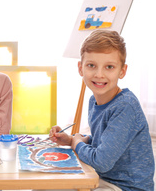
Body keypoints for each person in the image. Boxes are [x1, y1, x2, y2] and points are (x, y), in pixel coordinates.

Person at [50, 30, 154, 191]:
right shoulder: (95, 100)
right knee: (46, 186)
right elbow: (107, 141)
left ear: (122, 71)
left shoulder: (126, 106)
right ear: (80, 68)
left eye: (109, 67)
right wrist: (72, 140)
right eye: (91, 65)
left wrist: (77, 143)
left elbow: (102, 162)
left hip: (127, 187)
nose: (99, 74)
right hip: (105, 178)